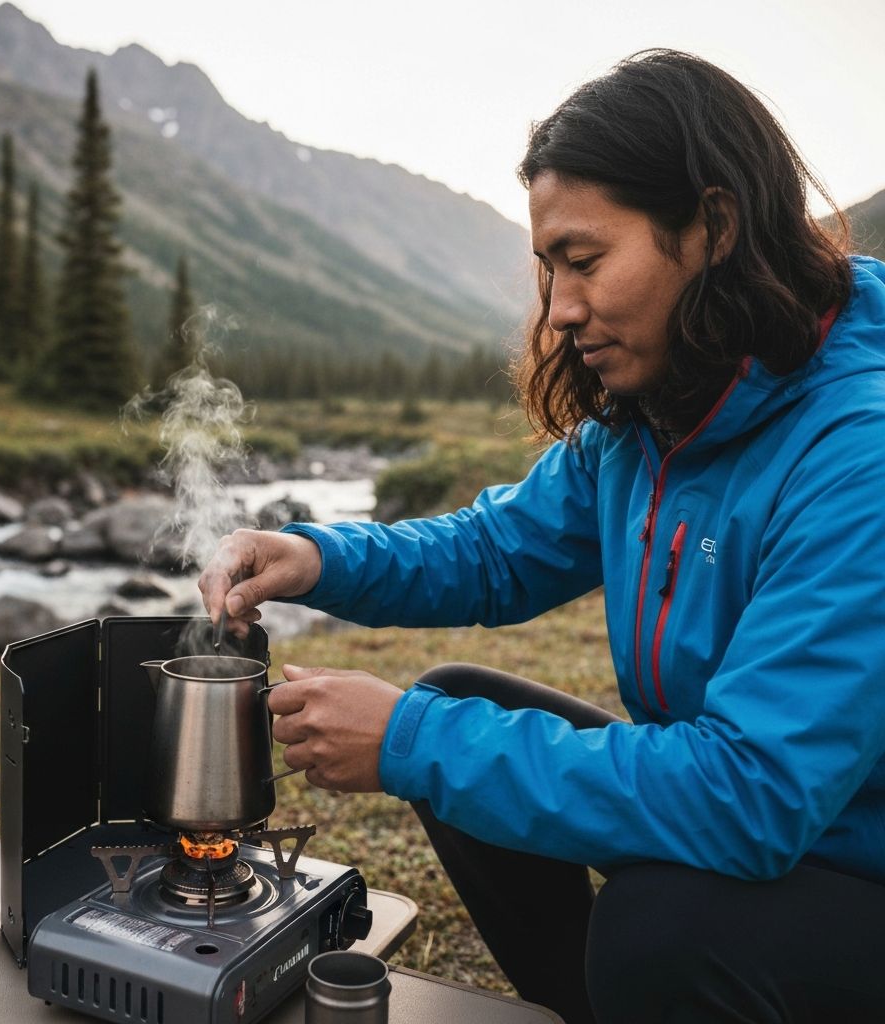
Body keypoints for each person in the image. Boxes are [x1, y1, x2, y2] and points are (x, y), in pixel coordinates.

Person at [199, 50, 885, 1024]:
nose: (559, 311)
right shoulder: (659, 411)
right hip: (774, 826)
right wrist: (316, 558)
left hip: (851, 864)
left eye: (584, 260)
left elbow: (754, 792)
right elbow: (495, 551)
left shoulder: (858, 452)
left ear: (714, 228)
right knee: (456, 705)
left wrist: (407, 741)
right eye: (548, 268)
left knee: (659, 929)